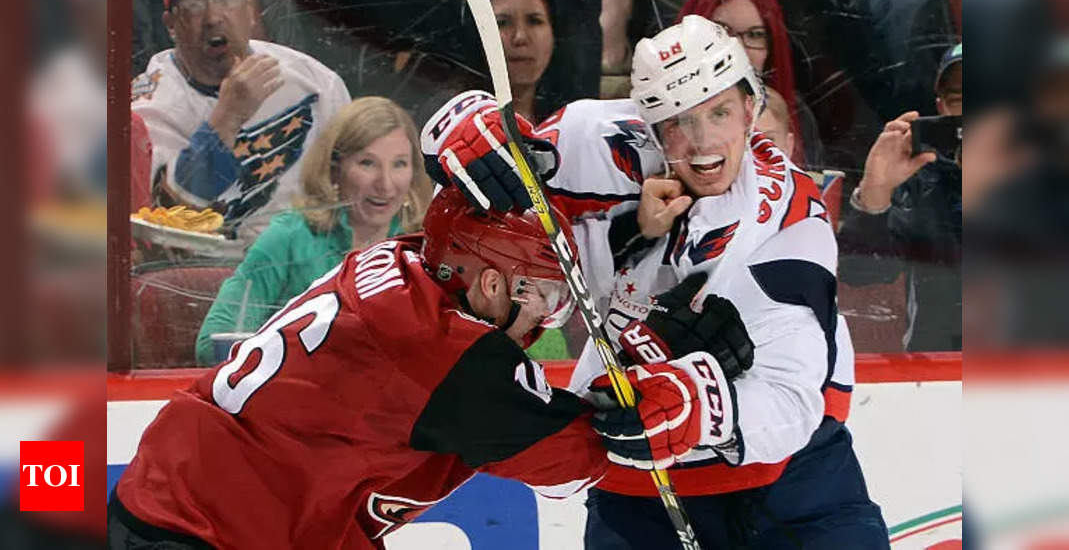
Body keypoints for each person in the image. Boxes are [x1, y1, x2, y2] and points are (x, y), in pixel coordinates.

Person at [423, 14, 888, 547]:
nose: (703, 142)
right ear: (648, 122)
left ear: (751, 108)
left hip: (791, 479)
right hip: (635, 482)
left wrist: (701, 406)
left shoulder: (789, 218)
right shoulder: (593, 142)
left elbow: (791, 399)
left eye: (720, 112)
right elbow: (475, 195)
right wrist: (456, 138)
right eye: (679, 122)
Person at [109, 186, 733, 548]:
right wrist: (666, 370)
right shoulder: (446, 357)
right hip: (203, 534)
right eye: (541, 294)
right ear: (490, 283)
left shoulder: (396, 260)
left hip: (175, 502)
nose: (547, 318)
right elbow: (575, 465)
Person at [194, 96, 432, 365]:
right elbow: (213, 344)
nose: (386, 185)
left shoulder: (426, 249)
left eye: (399, 164)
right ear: (334, 168)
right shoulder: (288, 237)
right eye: (367, 163)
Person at [132, 0, 351, 243]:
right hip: (209, 274)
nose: (213, 17)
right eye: (194, 5)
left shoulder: (315, 82)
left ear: (250, 11)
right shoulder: (152, 106)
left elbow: (358, 189)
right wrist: (228, 117)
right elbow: (172, 226)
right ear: (171, 24)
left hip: (309, 262)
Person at [838, 43, 962, 351]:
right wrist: (875, 194)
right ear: (942, 108)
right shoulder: (922, 181)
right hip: (936, 379)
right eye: (960, 98)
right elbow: (863, 272)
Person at [680, 0, 820, 167]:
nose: (737, 49)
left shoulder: (798, 115)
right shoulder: (644, 106)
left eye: (755, 35)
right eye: (721, 31)